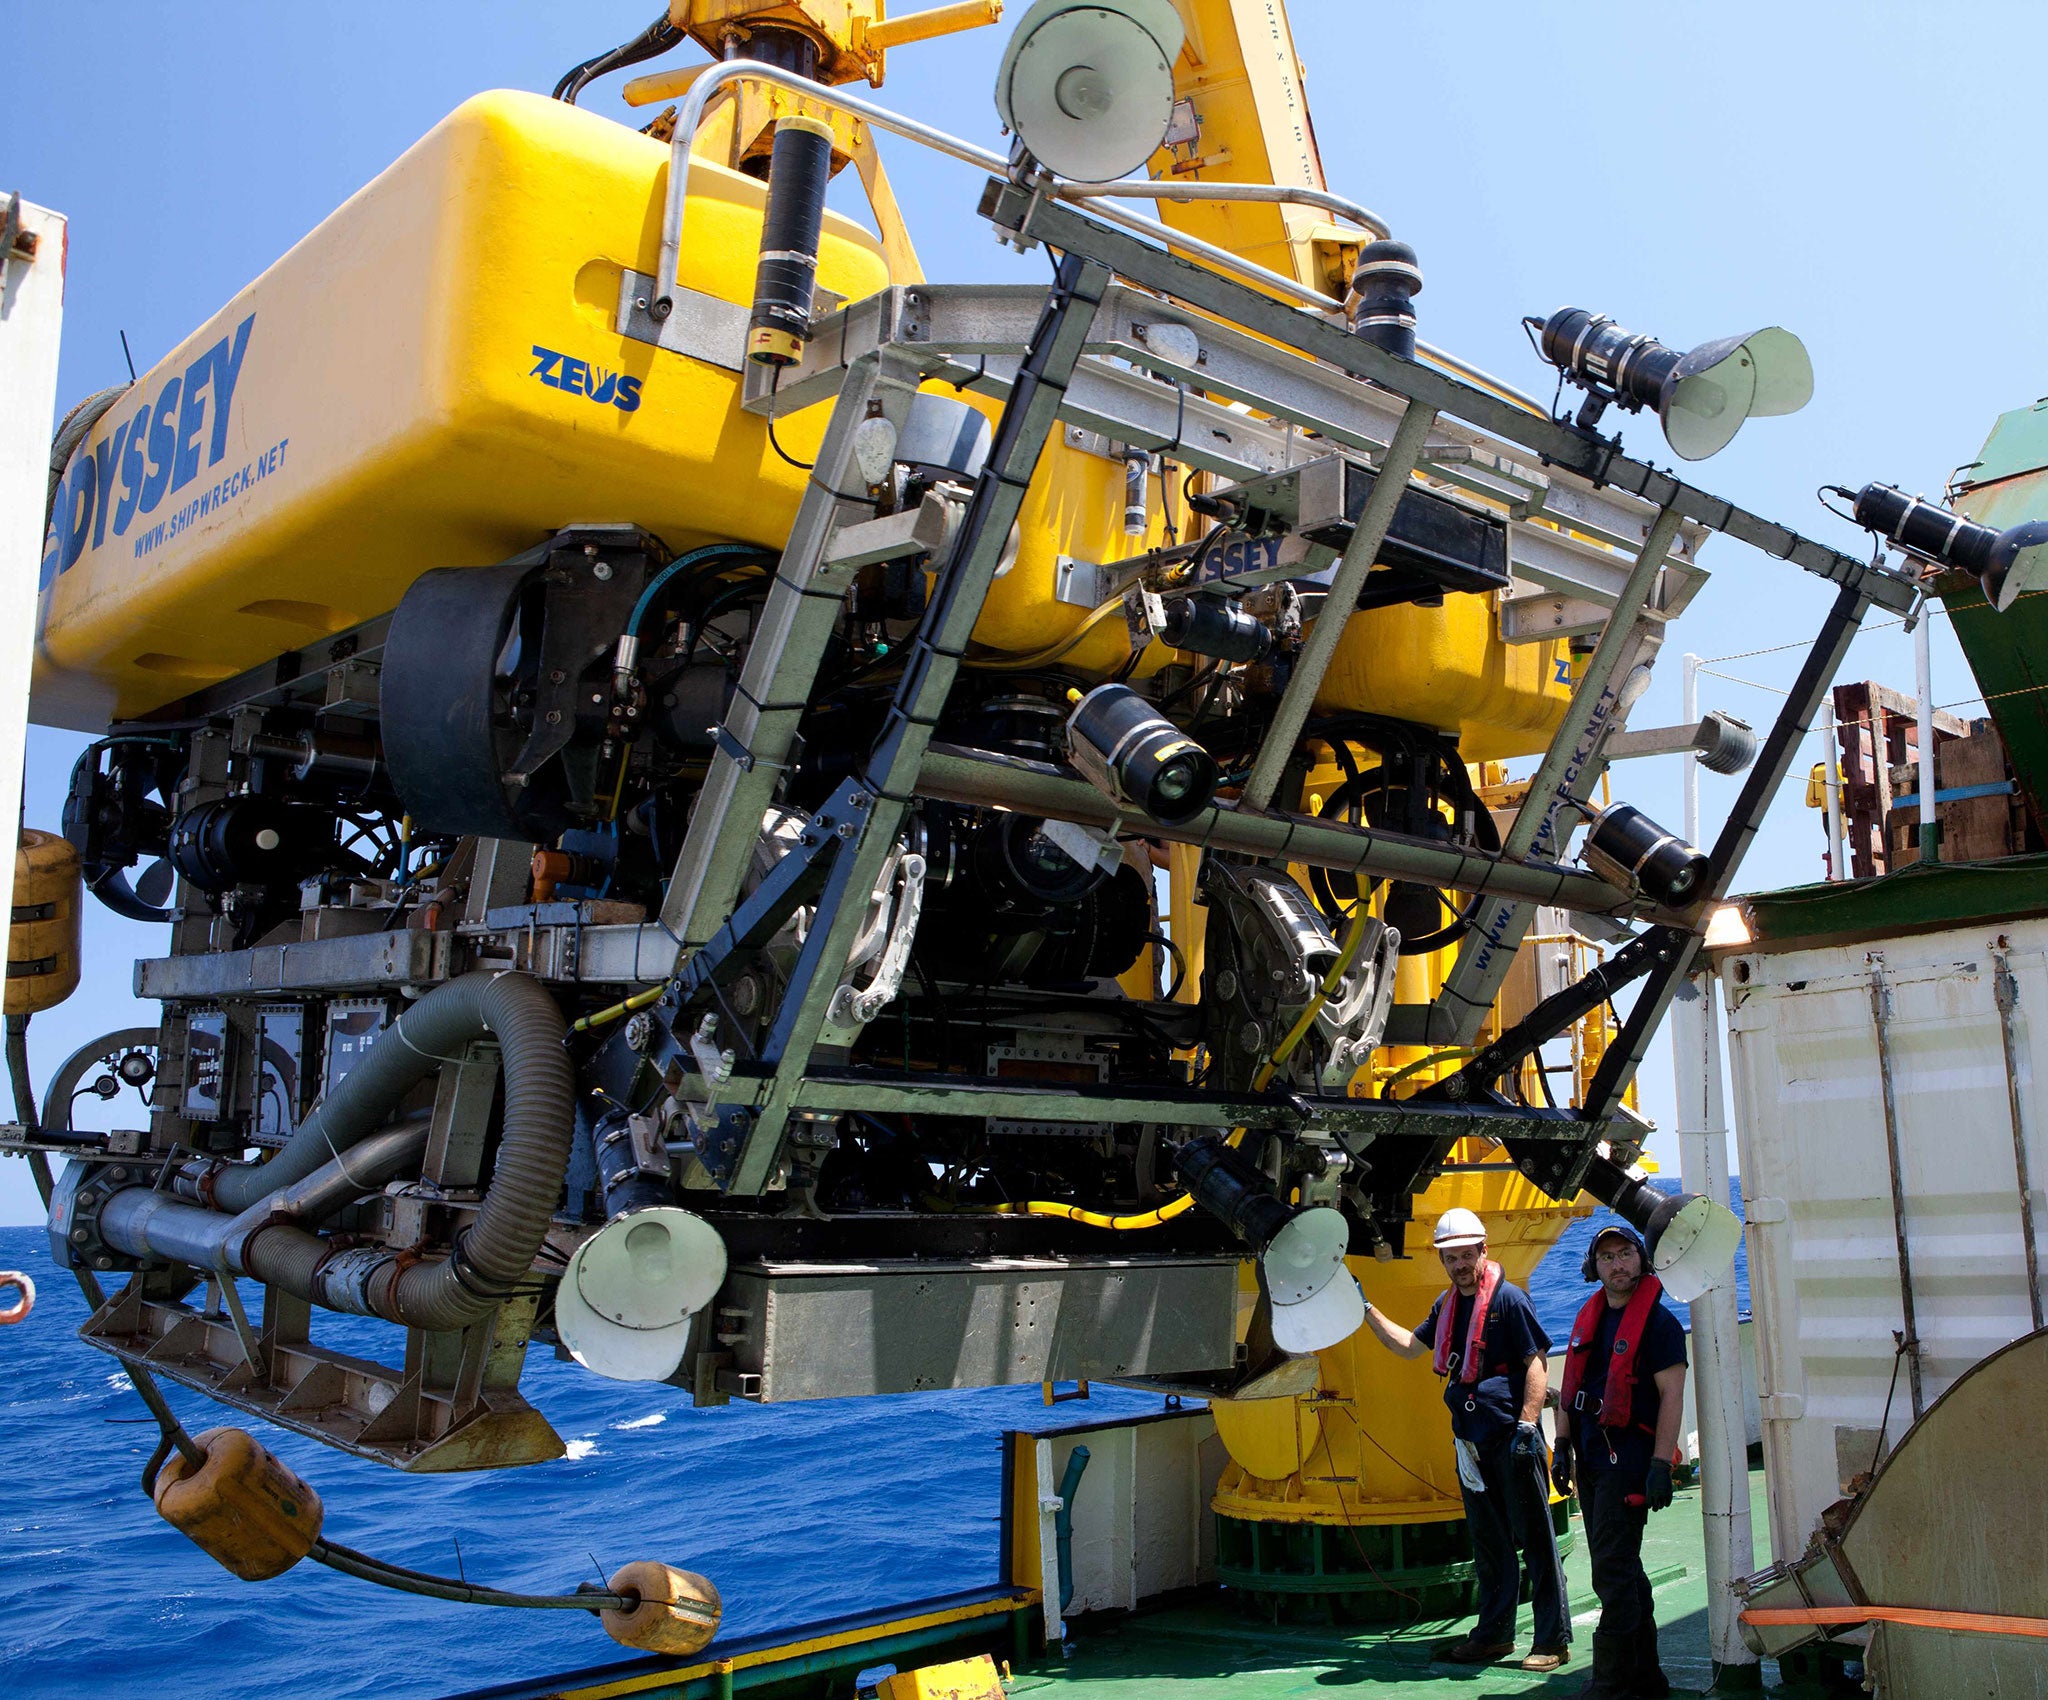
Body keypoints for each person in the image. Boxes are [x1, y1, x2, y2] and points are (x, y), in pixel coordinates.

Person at [1359, 1206, 1571, 1673]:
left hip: (1511, 1438)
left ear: (1482, 1251)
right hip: (1470, 1442)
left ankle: (1553, 1639)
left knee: (1536, 1539)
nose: (1458, 1264)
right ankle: (1493, 1635)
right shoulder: (1446, 1307)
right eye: (1449, 1257)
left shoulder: (1509, 1300)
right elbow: (1408, 1347)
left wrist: (1527, 1427)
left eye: (1464, 1254)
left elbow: (1536, 1363)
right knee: (1489, 1542)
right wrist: (1366, 1310)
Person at [1555, 1222, 1689, 1700]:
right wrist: (1563, 1445)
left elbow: (1672, 1396)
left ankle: (1613, 1684)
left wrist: (1660, 1466)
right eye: (1607, 1256)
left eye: (1626, 1253)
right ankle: (1647, 1679)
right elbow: (1571, 1390)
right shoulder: (1589, 1317)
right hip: (1590, 1458)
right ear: (1595, 1267)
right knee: (1625, 1568)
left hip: (1628, 1461)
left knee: (1611, 1571)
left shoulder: (1660, 1325)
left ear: (1642, 1258)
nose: (1617, 1264)